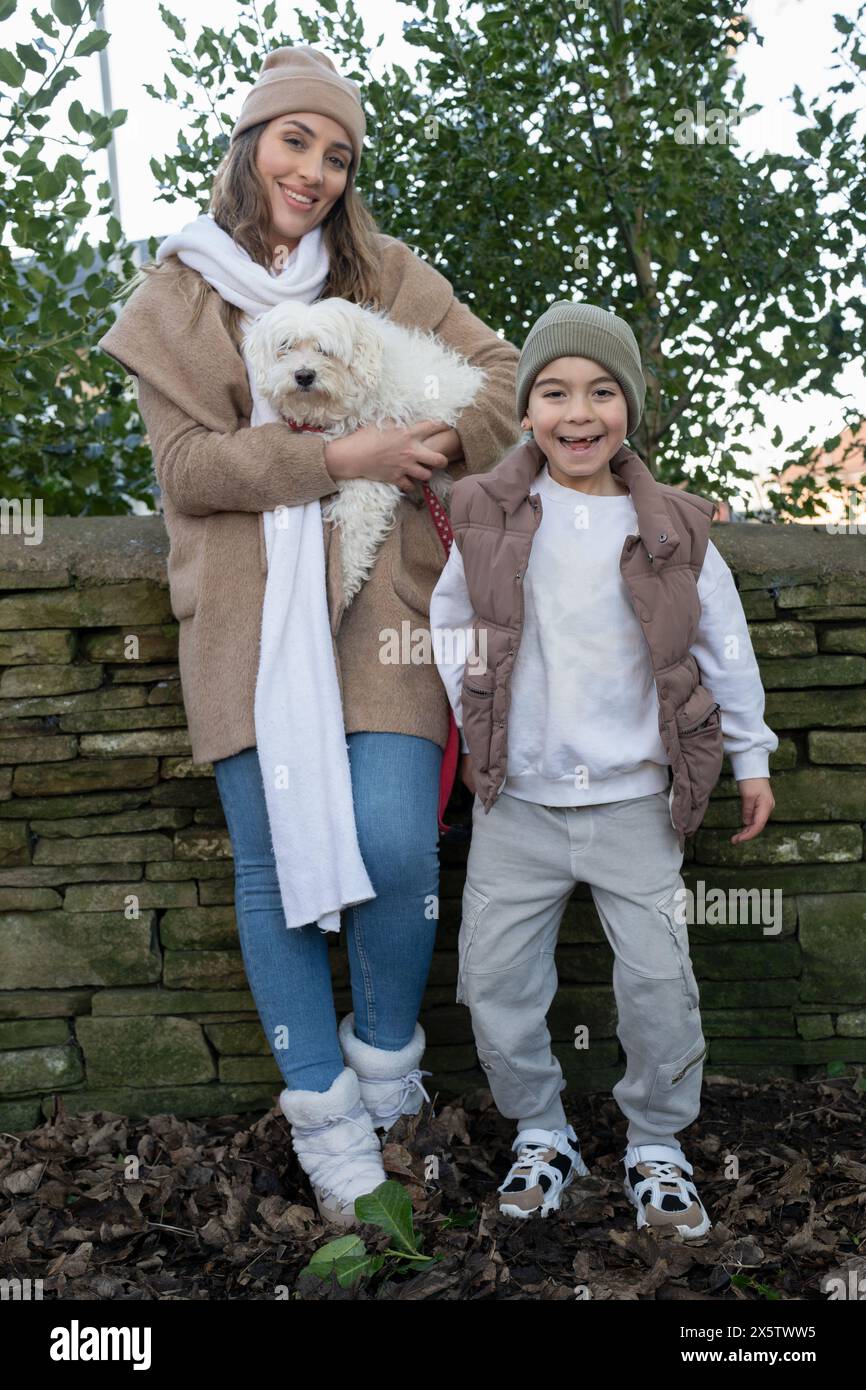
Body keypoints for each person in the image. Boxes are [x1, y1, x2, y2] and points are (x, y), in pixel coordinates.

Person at [97, 44, 521, 1228]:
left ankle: (389, 1067)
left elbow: (498, 378)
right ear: (251, 143)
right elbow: (188, 468)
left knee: (394, 839)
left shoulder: (382, 274)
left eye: (337, 155)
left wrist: (410, 427)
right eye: (297, 141)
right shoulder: (177, 294)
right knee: (274, 874)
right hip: (243, 610)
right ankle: (325, 1115)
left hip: (382, 600)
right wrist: (334, 457)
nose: (316, 171)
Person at [429, 301, 778, 1237]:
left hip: (634, 803)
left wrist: (751, 755)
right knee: (496, 985)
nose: (577, 413)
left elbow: (725, 646)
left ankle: (657, 1145)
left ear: (629, 406)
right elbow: (449, 615)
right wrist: (477, 704)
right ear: (526, 408)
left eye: (601, 391)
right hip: (517, 807)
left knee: (660, 984)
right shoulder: (489, 512)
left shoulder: (673, 527)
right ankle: (541, 1133)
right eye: (553, 392)